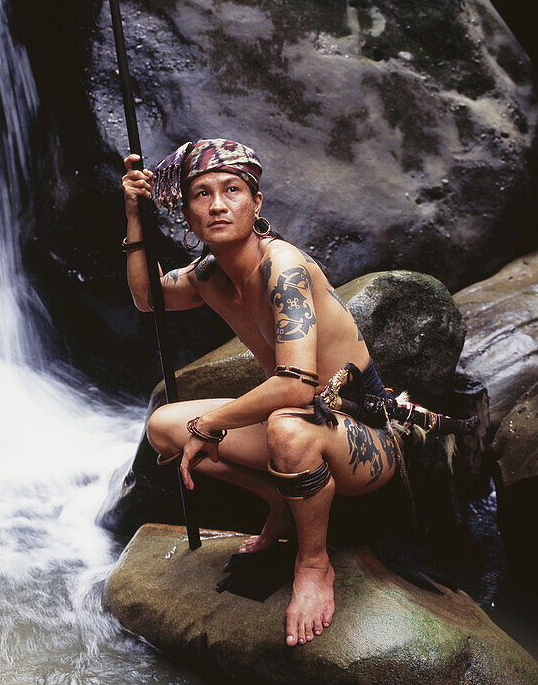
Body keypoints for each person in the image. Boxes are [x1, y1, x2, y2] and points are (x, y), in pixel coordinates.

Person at [121, 138, 459, 648]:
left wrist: (212, 424)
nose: (217, 204)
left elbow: (297, 386)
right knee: (164, 427)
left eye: (232, 190)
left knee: (284, 424)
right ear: (186, 213)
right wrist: (133, 215)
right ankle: (280, 500)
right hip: (301, 425)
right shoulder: (207, 276)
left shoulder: (284, 268)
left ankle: (314, 562)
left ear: (255, 204)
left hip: (367, 438)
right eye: (201, 194)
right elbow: (148, 298)